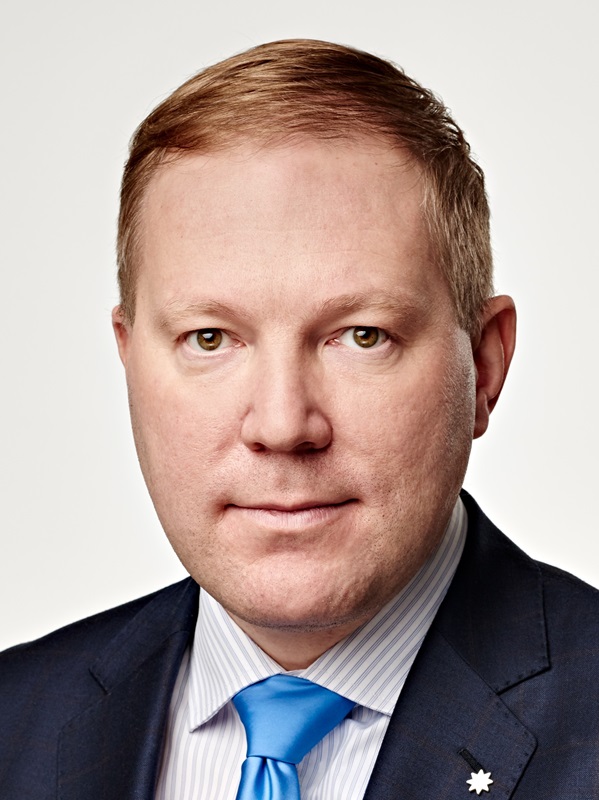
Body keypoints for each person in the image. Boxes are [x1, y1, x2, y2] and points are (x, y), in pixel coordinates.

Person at [1, 38, 598, 800]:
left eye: (362, 336)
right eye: (209, 339)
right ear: (128, 359)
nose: (283, 426)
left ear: (483, 365)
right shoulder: (14, 721)